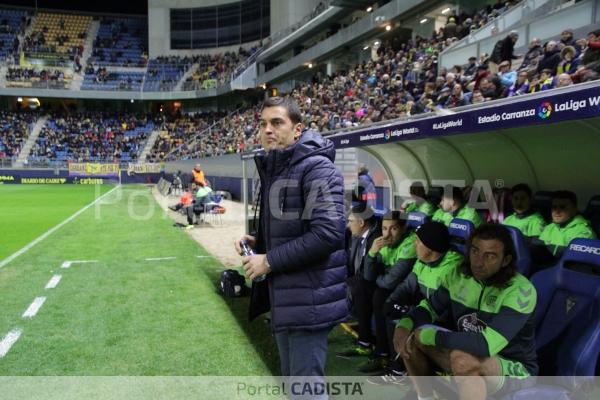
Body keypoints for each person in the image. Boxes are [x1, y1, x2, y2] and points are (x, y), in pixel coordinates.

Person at [234, 97, 347, 379]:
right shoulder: (280, 168)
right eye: (262, 124)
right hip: (288, 297)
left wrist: (269, 260)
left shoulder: (317, 168)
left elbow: (327, 233)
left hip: (309, 300)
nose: (267, 130)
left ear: (298, 130)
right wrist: (258, 244)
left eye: (277, 122)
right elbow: (293, 229)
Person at [395, 224, 538, 400]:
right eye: (475, 252)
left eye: (490, 256)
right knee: (411, 340)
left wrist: (433, 337)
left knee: (463, 358)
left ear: (506, 260)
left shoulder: (521, 290)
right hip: (468, 352)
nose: (478, 262)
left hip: (513, 367)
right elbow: (430, 307)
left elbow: (486, 344)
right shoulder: (459, 275)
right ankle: (425, 397)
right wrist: (404, 325)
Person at [369, 221, 462, 383]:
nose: (415, 244)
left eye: (418, 241)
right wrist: (393, 301)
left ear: (430, 246)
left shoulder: (453, 267)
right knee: (392, 310)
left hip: (445, 322)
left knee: (405, 320)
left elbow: (445, 309)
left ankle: (403, 372)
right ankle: (398, 368)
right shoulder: (422, 261)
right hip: (425, 311)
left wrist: (410, 311)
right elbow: (406, 286)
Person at [358, 211, 417, 374]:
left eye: (393, 229)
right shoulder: (382, 243)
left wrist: (377, 278)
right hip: (386, 282)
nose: (387, 234)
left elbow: (390, 281)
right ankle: (366, 344)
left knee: (380, 296)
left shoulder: (410, 244)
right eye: (384, 228)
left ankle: (387, 356)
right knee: (361, 286)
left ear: (403, 229)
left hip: (406, 290)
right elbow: (368, 276)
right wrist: (372, 253)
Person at [338, 204, 379, 358]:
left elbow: (369, 275)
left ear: (361, 223)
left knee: (359, 287)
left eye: (350, 221)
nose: (348, 226)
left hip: (371, 283)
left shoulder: (375, 239)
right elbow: (351, 265)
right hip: (359, 281)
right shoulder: (356, 237)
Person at [532, 190, 596, 265]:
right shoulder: (549, 227)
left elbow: (579, 262)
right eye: (554, 207)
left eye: (562, 207)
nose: (557, 211)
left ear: (574, 209)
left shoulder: (584, 232)